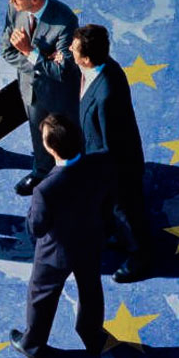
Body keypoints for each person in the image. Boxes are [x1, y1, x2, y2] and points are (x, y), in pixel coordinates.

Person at [10, 114, 114, 358]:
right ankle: (93, 335)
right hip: (91, 240)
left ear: (50, 148)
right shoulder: (99, 165)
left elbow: (36, 227)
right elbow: (108, 201)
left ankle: (33, 345)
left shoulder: (45, 189)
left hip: (55, 252)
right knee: (90, 287)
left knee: (42, 294)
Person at [65, 24, 150, 282]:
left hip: (116, 168)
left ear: (86, 59)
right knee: (112, 209)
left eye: (74, 48)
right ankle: (121, 236)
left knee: (125, 210)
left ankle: (140, 255)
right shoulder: (101, 67)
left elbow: (111, 145)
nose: (69, 49)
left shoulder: (106, 95)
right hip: (103, 160)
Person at [1, 0, 80, 196]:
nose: (11, 2)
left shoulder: (64, 21)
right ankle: (41, 172)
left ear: (34, 0)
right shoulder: (15, 8)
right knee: (38, 134)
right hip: (31, 89)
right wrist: (42, 61)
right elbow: (7, 50)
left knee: (67, 137)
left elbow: (62, 71)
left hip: (59, 95)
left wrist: (29, 51)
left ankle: (72, 177)